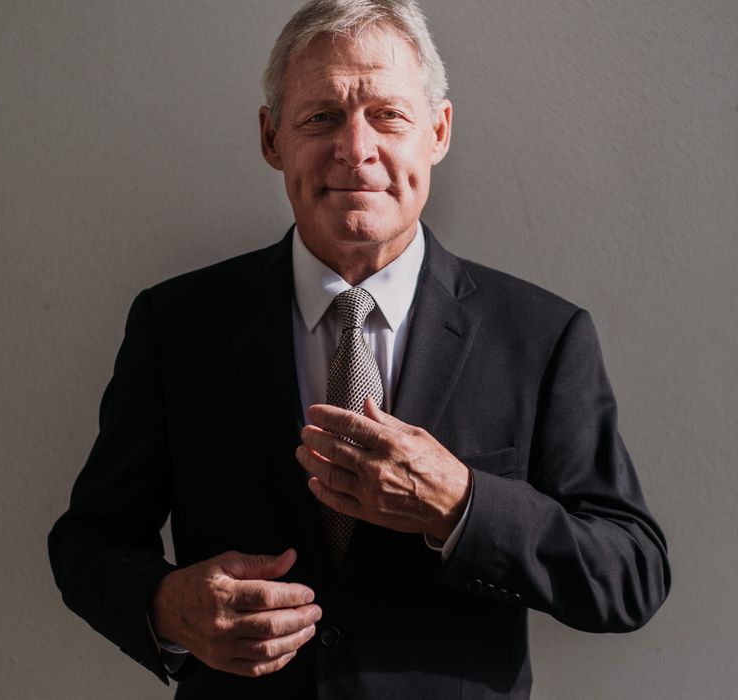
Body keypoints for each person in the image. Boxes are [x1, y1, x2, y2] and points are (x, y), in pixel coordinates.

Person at [48, 1, 671, 698]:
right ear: (271, 138)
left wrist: (461, 503)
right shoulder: (178, 324)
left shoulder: (542, 336)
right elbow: (88, 540)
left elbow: (631, 573)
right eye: (320, 117)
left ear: (438, 131)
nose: (355, 148)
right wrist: (167, 606)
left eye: (387, 115)